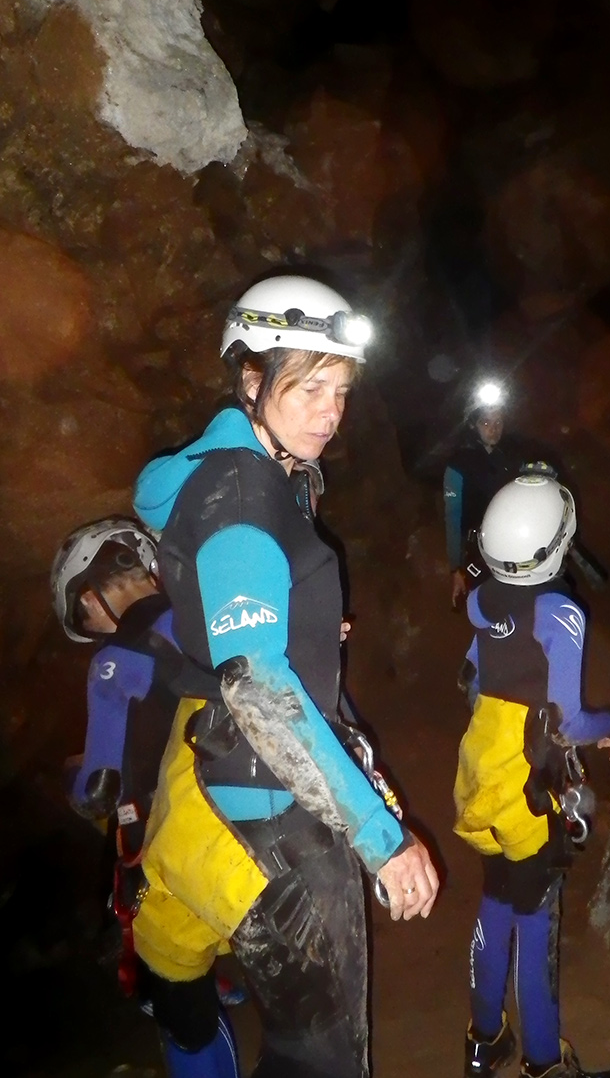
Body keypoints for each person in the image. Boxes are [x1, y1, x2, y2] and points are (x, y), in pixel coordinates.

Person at [131, 272, 439, 1078]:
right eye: (307, 386)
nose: (329, 410)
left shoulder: (246, 471)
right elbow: (259, 687)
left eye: (339, 389)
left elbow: (236, 621)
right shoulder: (241, 496)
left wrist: (306, 628)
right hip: (271, 807)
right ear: (252, 378)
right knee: (322, 1059)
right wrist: (383, 841)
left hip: (223, 770)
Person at [454, 471, 610, 1078]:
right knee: (536, 928)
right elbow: (567, 719)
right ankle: (543, 1063)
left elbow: (475, 678)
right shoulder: (559, 616)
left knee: (495, 900)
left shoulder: (481, 601)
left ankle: (485, 1038)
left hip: (481, 779)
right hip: (526, 794)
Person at [52, 517, 240, 1078]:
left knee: (182, 1017)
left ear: (94, 594)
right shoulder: (217, 609)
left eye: (85, 618)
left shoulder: (116, 660)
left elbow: (99, 789)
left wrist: (74, 779)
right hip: (260, 817)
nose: (94, 632)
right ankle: (227, 976)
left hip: (185, 852)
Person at [444, 379, 531, 609]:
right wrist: (456, 568)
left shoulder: (512, 458)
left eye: (498, 422)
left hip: (514, 545)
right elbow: (453, 517)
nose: (493, 429)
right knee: (488, 610)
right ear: (473, 425)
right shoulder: (458, 465)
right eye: (485, 422)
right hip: (479, 552)